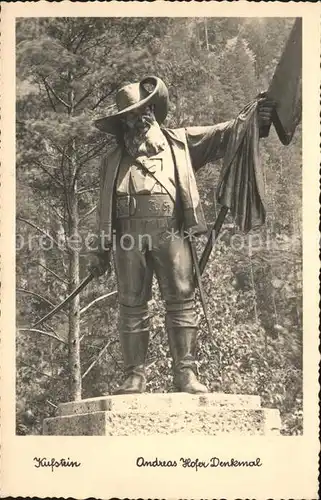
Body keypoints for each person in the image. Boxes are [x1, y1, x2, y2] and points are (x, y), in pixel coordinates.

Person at [90, 76, 274, 395]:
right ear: (122, 122)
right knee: (131, 305)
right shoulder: (112, 160)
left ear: (152, 112)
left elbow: (223, 134)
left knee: (181, 300)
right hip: (127, 241)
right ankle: (134, 375)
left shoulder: (181, 143)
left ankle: (185, 373)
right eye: (128, 117)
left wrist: (253, 118)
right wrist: (98, 250)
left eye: (141, 113)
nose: (136, 121)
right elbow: (103, 208)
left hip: (171, 234)